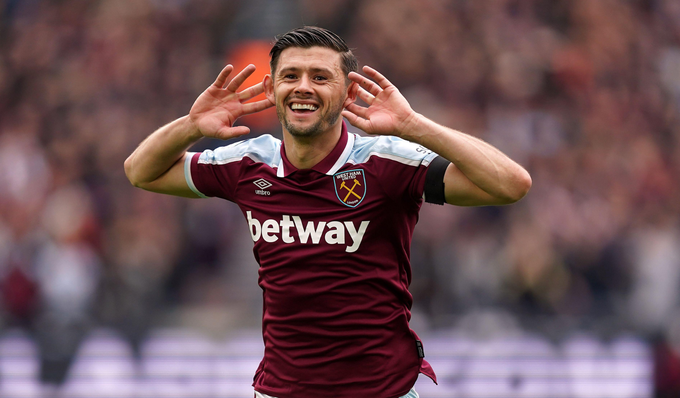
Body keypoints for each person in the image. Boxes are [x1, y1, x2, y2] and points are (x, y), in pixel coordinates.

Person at [124, 26, 531, 398]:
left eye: (320, 77)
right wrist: (192, 125)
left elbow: (511, 184)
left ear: (348, 94)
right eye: (291, 76)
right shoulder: (249, 164)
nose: (303, 87)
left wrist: (415, 126)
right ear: (270, 88)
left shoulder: (386, 162)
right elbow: (140, 172)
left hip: (383, 391)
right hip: (280, 392)